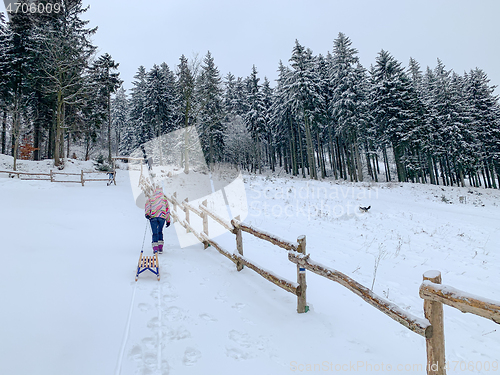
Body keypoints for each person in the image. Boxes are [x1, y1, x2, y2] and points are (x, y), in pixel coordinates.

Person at [145, 185, 171, 254]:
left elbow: (147, 206)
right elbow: (167, 210)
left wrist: (147, 214)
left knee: (154, 232)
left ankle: (155, 248)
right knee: (160, 231)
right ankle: (160, 247)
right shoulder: (164, 200)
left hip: (153, 217)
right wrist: (168, 220)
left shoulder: (151, 198)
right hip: (162, 217)